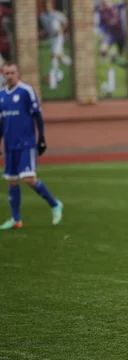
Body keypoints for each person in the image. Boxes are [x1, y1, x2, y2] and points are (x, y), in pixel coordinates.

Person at [0, 62, 63, 230]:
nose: (10, 76)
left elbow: (38, 116)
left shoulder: (26, 91)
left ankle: (55, 204)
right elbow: (1, 122)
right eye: (7, 73)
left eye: (13, 73)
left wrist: (41, 138)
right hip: (9, 144)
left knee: (28, 178)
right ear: (2, 74)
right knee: (12, 181)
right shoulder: (1, 95)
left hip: (26, 143)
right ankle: (16, 219)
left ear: (18, 73)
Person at [38, 0, 72, 90]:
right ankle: (72, 64)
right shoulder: (42, 16)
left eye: (48, 5)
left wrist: (61, 29)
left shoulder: (56, 14)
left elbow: (65, 21)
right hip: (51, 38)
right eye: (45, 5)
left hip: (58, 37)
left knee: (54, 56)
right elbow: (44, 28)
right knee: (59, 56)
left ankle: (54, 77)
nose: (47, 6)